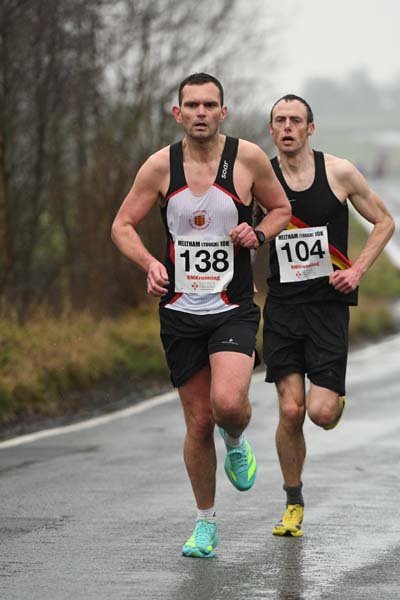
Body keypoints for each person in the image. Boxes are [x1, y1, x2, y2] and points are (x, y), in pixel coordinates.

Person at [111, 73, 291, 557]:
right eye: (192, 105)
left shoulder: (248, 159)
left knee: (227, 405)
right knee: (197, 422)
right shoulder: (160, 166)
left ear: (223, 112)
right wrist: (150, 263)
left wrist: (258, 233)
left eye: (210, 105)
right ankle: (205, 523)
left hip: (232, 307)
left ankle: (236, 438)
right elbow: (122, 225)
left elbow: (281, 208)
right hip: (179, 310)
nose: (201, 113)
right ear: (178, 113)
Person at [262, 94, 395, 537]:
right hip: (283, 308)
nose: (287, 127)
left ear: (310, 129)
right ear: (271, 129)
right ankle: (293, 502)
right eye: (280, 120)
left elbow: (385, 222)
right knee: (290, 410)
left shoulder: (339, 172)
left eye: (295, 120)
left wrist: (356, 271)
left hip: (328, 308)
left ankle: (333, 401)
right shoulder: (261, 177)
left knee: (319, 412)